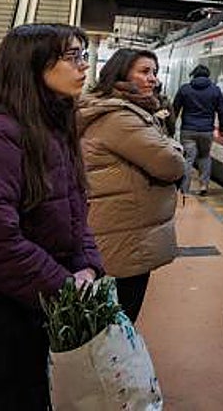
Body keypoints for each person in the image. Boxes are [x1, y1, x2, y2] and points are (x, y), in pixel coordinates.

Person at [0, 24, 103, 409]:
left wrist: (87, 266)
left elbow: (76, 213)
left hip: (40, 307)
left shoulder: (50, 128)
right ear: (32, 65)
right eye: (73, 57)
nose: (83, 67)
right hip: (2, 317)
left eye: (83, 56)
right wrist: (65, 286)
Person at [78, 49, 185, 323]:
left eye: (154, 72)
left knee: (110, 320)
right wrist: (173, 145)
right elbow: (171, 165)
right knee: (120, 321)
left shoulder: (108, 108)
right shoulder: (121, 118)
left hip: (115, 227)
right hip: (126, 236)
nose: (153, 79)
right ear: (121, 73)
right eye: (144, 71)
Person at [173, 64, 223, 195]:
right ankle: (203, 186)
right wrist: (222, 129)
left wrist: (170, 127)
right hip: (206, 131)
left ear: (193, 75)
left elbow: (175, 109)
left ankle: (184, 188)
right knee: (204, 157)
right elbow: (221, 112)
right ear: (208, 75)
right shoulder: (215, 90)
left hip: (188, 130)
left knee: (188, 158)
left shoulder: (184, 89)